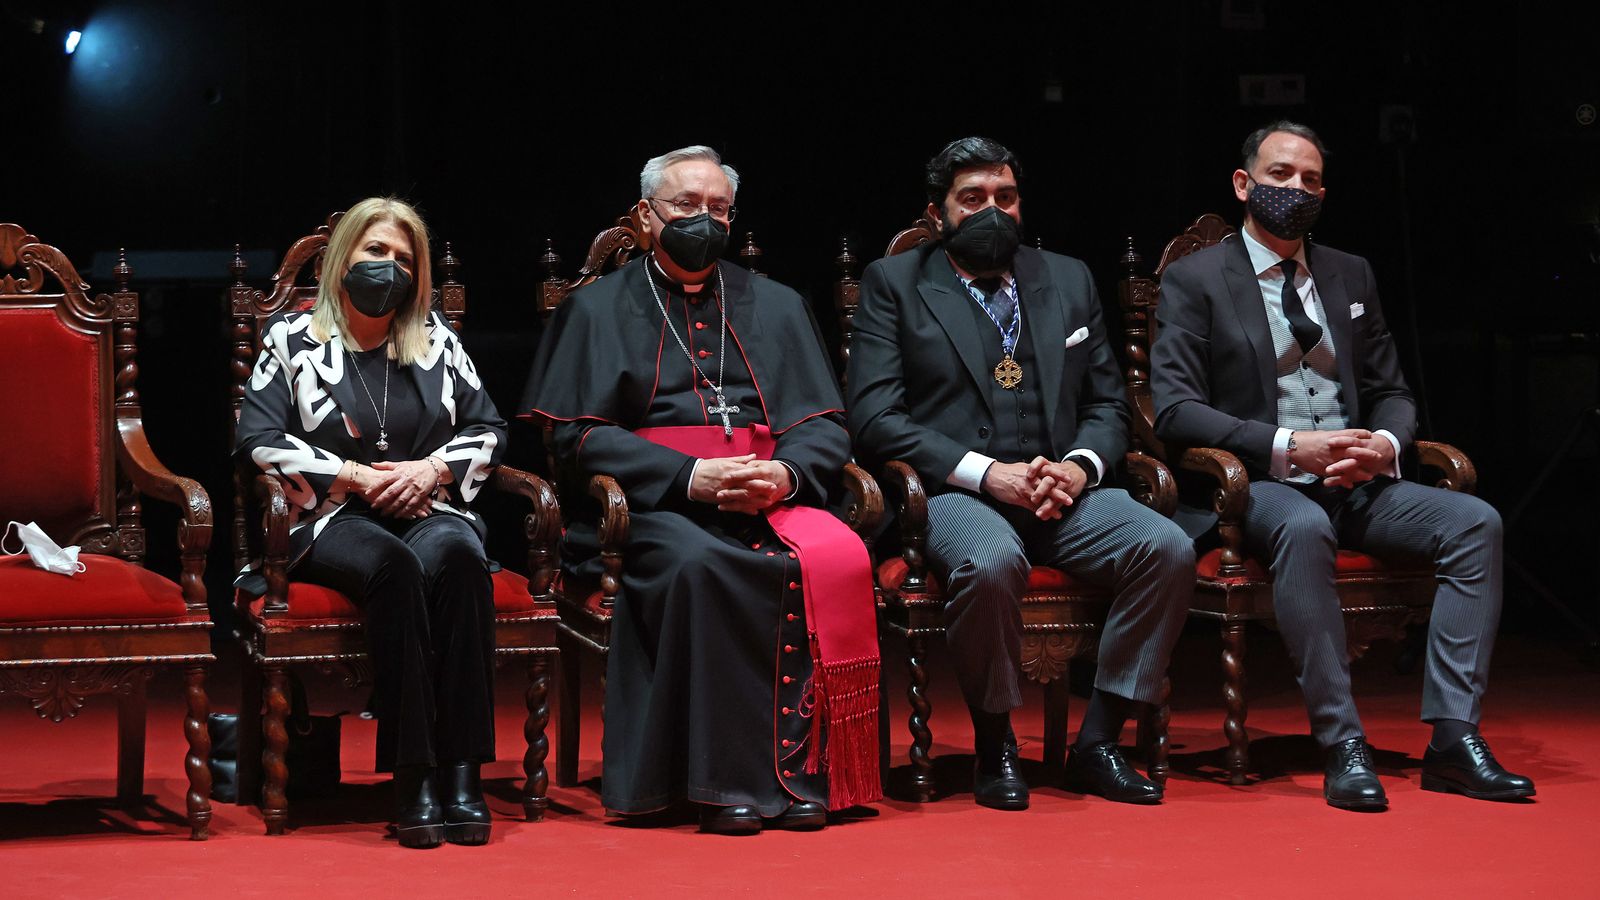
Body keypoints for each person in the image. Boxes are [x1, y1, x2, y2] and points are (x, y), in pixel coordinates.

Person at [1151, 121, 1534, 809]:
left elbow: (1391, 391)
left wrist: (1383, 447)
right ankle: (1343, 743)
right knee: (1302, 528)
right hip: (1262, 483)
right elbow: (1174, 410)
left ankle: (1453, 737)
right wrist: (1288, 446)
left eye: (1310, 179)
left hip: (1358, 484)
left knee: (1476, 522)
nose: (1295, 189)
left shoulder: (1349, 272)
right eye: (1279, 175)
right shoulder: (1195, 279)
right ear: (1244, 184)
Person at [521, 146, 881, 835]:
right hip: (651, 508)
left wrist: (785, 475)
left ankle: (803, 775)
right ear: (646, 216)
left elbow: (825, 424)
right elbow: (576, 442)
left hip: (771, 498)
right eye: (687, 206)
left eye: (719, 208)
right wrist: (691, 477)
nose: (705, 220)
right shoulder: (595, 310)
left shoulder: (776, 305)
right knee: (702, 564)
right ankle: (719, 784)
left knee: (826, 558)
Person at [847, 137, 1193, 810]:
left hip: (1062, 492)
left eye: (1004, 198)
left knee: (1167, 547)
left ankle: (1098, 743)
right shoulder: (897, 285)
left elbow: (1107, 404)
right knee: (990, 559)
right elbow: (876, 418)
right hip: (952, 493)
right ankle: (996, 741)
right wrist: (988, 474)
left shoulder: (1064, 277)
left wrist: (1077, 466)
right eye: (972, 200)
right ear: (938, 212)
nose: (992, 212)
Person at [236, 197, 508, 848]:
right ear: (342, 259)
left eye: (404, 258)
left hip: (424, 504)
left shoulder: (435, 339)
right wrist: (355, 475)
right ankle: (413, 774)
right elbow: (257, 437)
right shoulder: (293, 340)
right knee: (395, 566)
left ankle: (463, 772)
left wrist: (433, 472)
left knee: (462, 560)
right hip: (330, 517)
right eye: (375, 252)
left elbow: (489, 427)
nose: (389, 268)